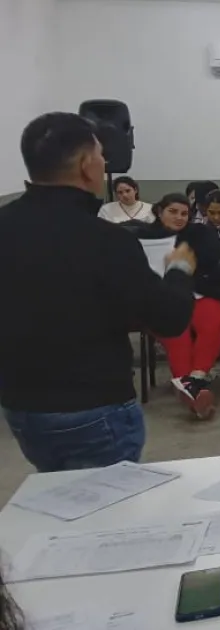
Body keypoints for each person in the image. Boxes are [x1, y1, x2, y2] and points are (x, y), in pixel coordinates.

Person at [0, 112, 196, 472]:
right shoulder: (106, 240)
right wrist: (179, 270)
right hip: (93, 406)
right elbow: (170, 318)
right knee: (106, 501)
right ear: (86, 165)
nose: (104, 163)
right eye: (101, 155)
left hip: (21, 408)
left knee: (59, 488)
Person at [136, 193, 220, 419]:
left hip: (201, 292)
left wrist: (185, 257)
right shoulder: (143, 235)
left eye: (184, 213)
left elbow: (214, 258)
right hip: (161, 299)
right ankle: (192, 390)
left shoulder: (200, 233)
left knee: (213, 321)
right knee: (177, 333)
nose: (179, 217)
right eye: (173, 212)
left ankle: (195, 380)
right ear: (160, 212)